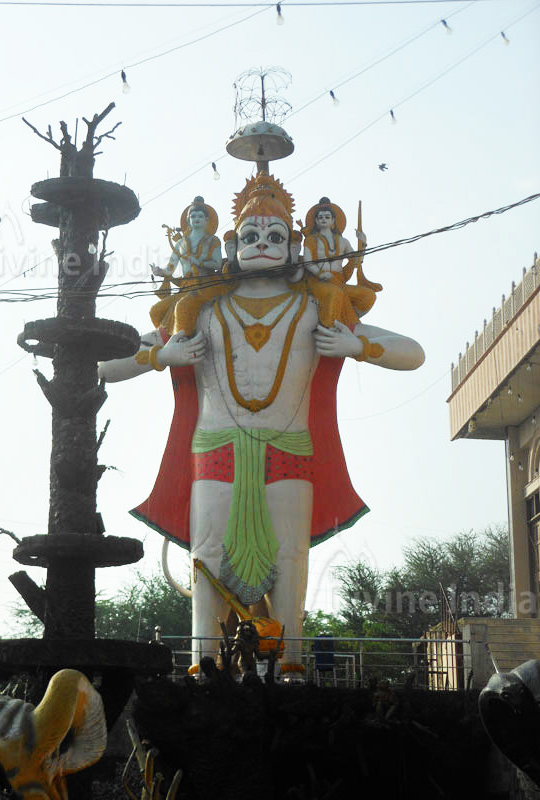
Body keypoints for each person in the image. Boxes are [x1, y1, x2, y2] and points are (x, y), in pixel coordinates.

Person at [98, 172, 425, 675]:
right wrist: (162, 353)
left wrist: (359, 345)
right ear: (229, 245)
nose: (263, 245)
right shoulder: (198, 308)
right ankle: (204, 664)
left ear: (296, 245)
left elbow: (414, 354)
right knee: (206, 557)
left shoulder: (318, 306)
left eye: (275, 236)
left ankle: (288, 666)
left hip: (288, 447)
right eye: (251, 236)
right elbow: (104, 364)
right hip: (214, 447)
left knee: (290, 557)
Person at [150, 196, 223, 336]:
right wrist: (159, 271)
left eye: (200, 216)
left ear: (207, 220)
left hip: (205, 285)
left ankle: (182, 341)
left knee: (182, 308)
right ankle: (167, 340)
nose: (196, 218)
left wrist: (198, 262)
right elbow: (170, 268)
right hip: (185, 287)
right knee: (155, 311)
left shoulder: (213, 240)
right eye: (193, 216)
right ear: (188, 220)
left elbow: (217, 263)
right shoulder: (181, 244)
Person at [302, 197, 379, 329]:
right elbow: (308, 262)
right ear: (315, 221)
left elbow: (356, 260)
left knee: (368, 295)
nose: (323, 219)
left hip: (338, 280)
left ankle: (348, 320)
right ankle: (327, 329)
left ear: (333, 220)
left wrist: (363, 244)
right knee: (335, 293)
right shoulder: (311, 240)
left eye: (327, 216)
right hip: (318, 281)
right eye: (320, 217)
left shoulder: (343, 242)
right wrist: (320, 274)